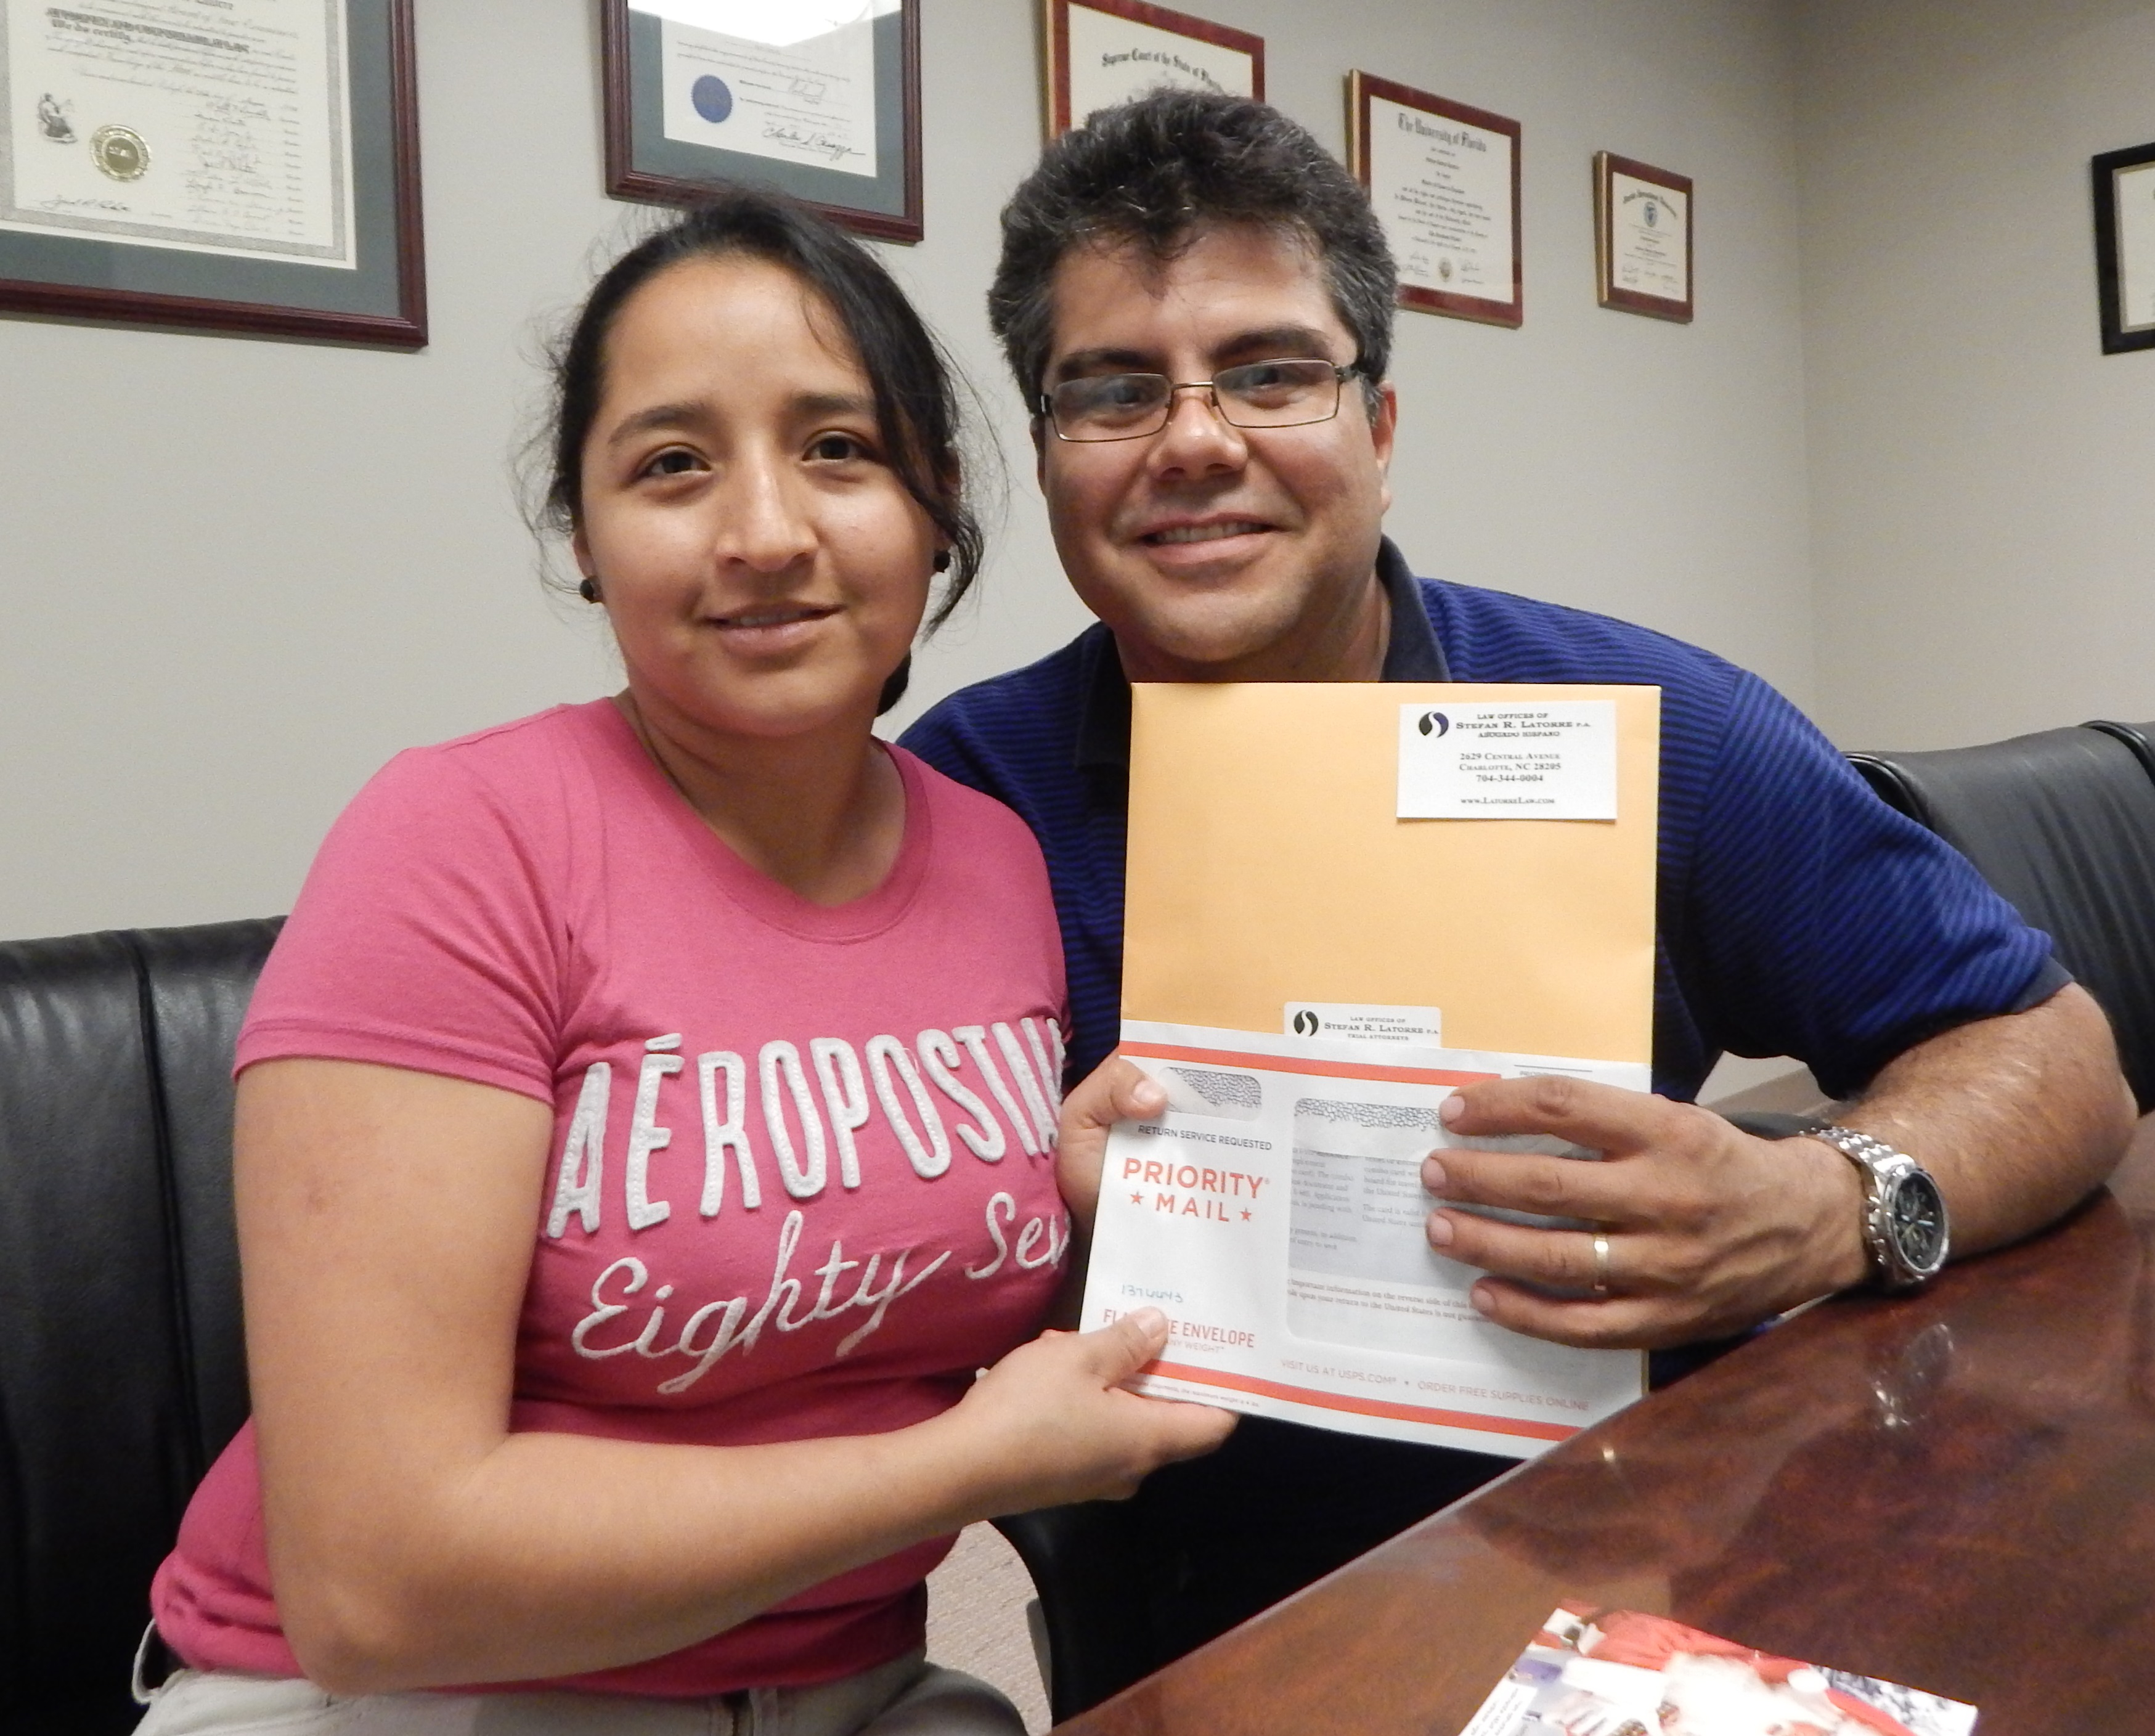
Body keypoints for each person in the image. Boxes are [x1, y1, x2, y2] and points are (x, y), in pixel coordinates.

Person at [900, 89, 2133, 1670]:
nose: (1196, 441)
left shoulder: (1659, 731)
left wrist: (1829, 1200)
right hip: (1209, 1626)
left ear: (1383, 432)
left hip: (1665, 1568)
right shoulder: (949, 798)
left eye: (1272, 372)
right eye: (1114, 391)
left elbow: (2058, 1050)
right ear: (1052, 457)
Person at [136, 186, 1231, 1736]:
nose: (767, 533)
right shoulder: (458, 839)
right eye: (671, 465)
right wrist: (971, 1465)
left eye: (838, 449)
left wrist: (1053, 1186)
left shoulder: (993, 855)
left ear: (937, 506)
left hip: (848, 1682)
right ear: (585, 539)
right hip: (417, 1694)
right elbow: (376, 1582)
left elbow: (863, 1271)